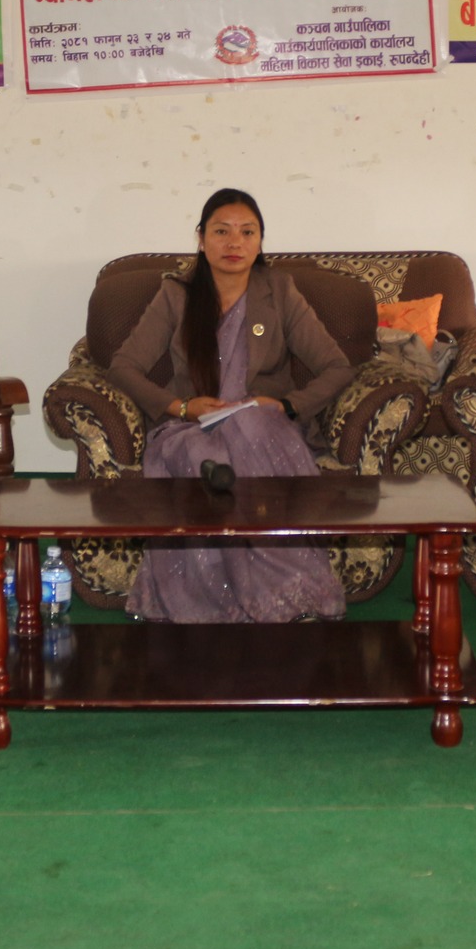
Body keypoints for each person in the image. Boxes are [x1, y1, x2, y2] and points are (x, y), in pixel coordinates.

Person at [108, 188, 355, 623]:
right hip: (194, 426)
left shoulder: (279, 291)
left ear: (261, 242)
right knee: (202, 452)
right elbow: (124, 367)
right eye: (222, 232)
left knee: (255, 424)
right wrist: (181, 408)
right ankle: (215, 606)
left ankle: (282, 595)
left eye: (247, 232)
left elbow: (336, 367)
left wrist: (286, 405)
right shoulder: (176, 295)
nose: (234, 242)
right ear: (201, 239)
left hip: (263, 425)